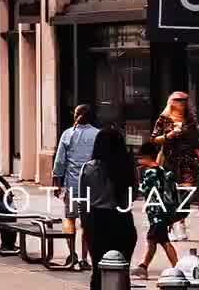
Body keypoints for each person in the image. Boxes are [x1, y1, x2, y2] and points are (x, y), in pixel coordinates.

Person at [79, 127, 139, 290]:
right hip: (122, 220)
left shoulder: (89, 168)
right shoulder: (129, 168)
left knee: (98, 270)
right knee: (122, 270)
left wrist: (85, 225)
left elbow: (83, 200)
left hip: (97, 221)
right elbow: (133, 195)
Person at [151, 92, 199, 239]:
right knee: (170, 194)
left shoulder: (190, 119)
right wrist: (169, 135)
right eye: (178, 100)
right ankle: (172, 225)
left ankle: (179, 221)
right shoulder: (163, 119)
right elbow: (154, 139)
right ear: (172, 102)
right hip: (168, 159)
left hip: (187, 160)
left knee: (186, 193)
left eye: (184, 101)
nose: (182, 103)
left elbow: (196, 142)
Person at [53, 104, 99, 270]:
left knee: (70, 218)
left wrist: (57, 183)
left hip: (72, 183)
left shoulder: (68, 134)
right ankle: (85, 259)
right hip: (92, 184)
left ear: (76, 115)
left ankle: (72, 255)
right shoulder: (97, 134)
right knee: (87, 222)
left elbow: (60, 161)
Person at [134, 139, 180, 278]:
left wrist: (136, 180)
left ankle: (179, 268)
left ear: (147, 157)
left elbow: (143, 190)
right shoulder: (163, 171)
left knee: (164, 242)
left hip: (156, 214)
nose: (138, 160)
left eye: (140, 157)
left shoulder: (149, 173)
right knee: (152, 240)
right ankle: (143, 267)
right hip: (164, 212)